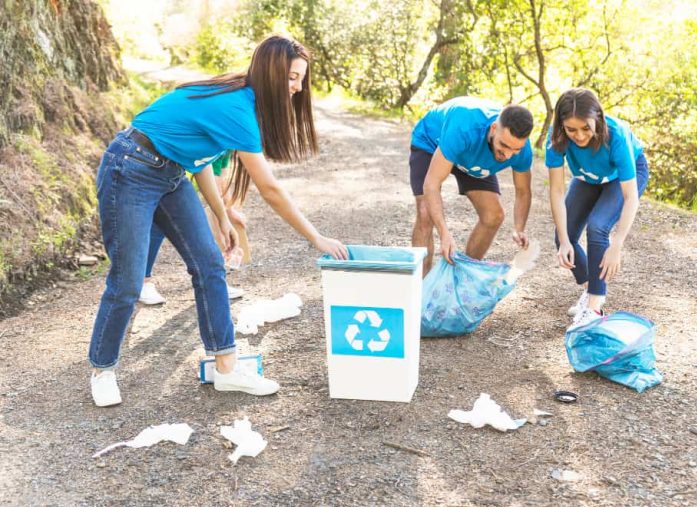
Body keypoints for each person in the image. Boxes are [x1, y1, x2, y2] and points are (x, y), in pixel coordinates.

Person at [88, 34, 348, 407]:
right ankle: (103, 368)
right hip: (129, 168)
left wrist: (221, 214)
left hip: (171, 173)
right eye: (293, 77)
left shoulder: (245, 100)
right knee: (128, 280)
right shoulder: (237, 107)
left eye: (301, 79)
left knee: (210, 264)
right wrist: (316, 238)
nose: (298, 87)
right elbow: (269, 189)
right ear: (273, 73)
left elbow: (202, 157)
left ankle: (226, 368)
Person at [545, 88, 648, 328]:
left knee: (598, 226)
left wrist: (617, 244)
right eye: (571, 130)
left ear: (597, 119)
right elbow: (557, 191)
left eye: (585, 128)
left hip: (623, 176)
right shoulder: (556, 138)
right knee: (564, 236)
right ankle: (591, 291)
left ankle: (594, 310)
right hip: (588, 177)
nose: (579, 136)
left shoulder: (616, 136)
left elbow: (630, 196)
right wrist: (564, 240)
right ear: (561, 126)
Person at [410, 96, 534, 275]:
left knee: (494, 216)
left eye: (515, 150)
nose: (507, 155)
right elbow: (432, 184)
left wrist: (519, 227)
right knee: (425, 212)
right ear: (493, 128)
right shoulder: (464, 125)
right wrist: (444, 233)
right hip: (432, 142)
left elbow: (523, 191)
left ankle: (463, 278)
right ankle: (420, 287)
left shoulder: (521, 151)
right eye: (504, 146)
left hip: (472, 157)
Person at [139, 152, 247, 306]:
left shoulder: (229, 144)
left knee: (159, 227)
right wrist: (223, 217)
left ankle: (214, 282)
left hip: (185, 183)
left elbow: (222, 178)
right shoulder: (218, 139)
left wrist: (230, 211)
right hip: (172, 179)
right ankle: (143, 282)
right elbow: (214, 187)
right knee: (161, 227)